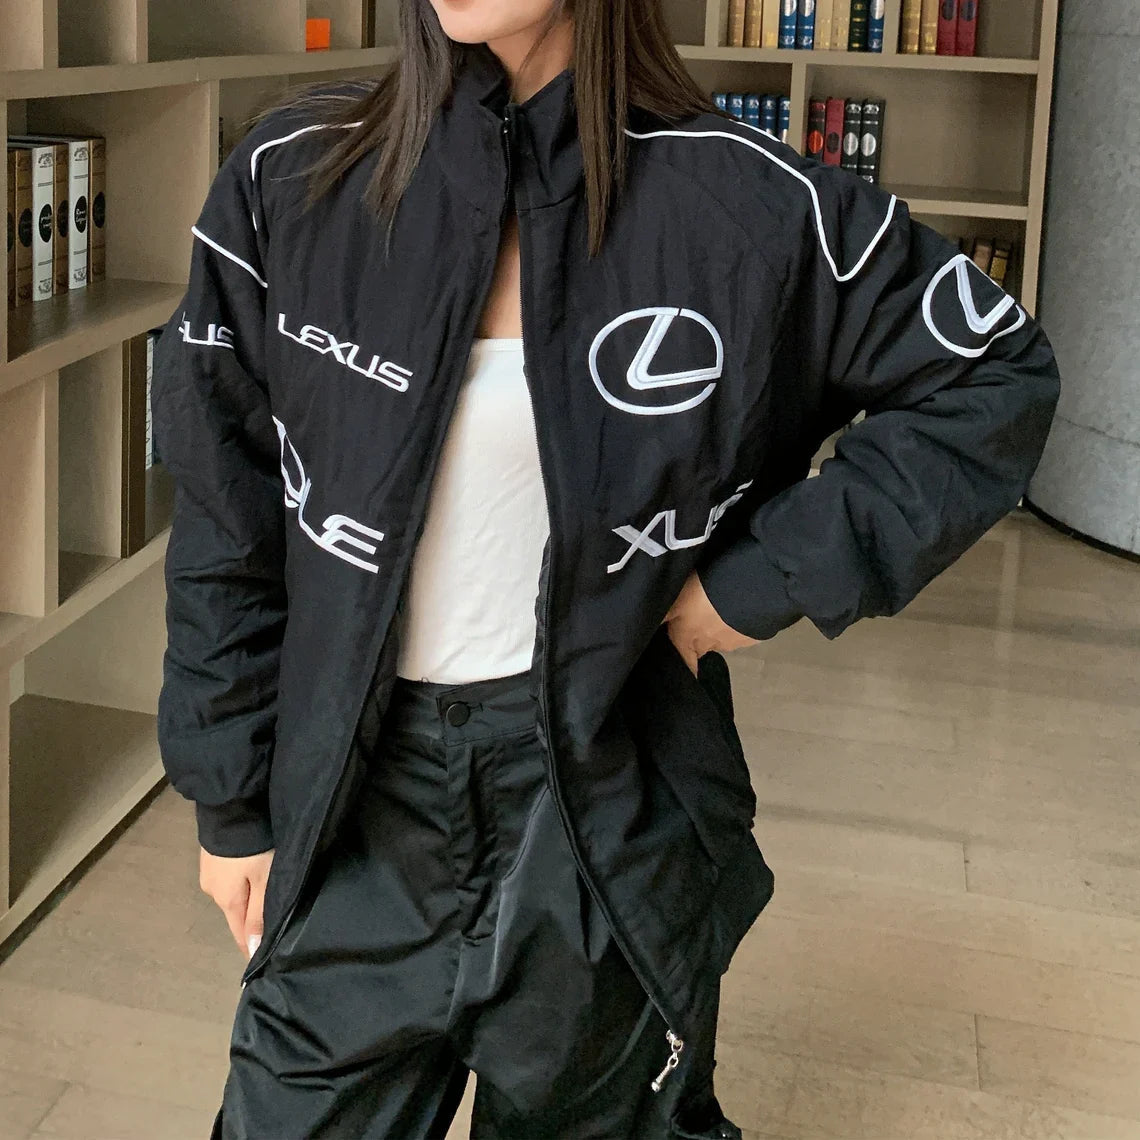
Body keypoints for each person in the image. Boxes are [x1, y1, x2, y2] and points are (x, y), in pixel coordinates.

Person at [151, 0, 1062, 1136]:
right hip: (350, 804)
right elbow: (225, 515)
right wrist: (229, 800)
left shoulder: (754, 205)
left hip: (598, 800)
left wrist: (753, 584)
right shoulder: (287, 179)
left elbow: (994, 371)